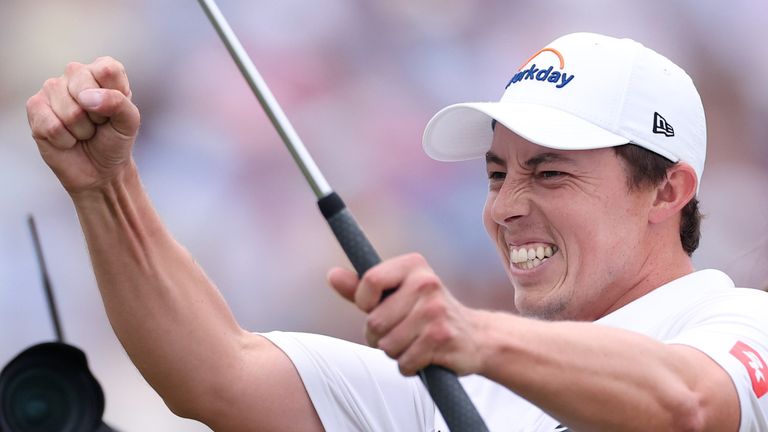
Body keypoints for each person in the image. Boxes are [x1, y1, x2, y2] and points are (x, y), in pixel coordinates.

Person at [25, 32, 768, 431]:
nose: (504, 207)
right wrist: (105, 187)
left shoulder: (741, 324)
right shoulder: (440, 388)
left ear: (668, 190)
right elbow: (215, 373)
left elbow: (689, 408)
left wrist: (472, 339)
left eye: (548, 174)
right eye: (494, 173)